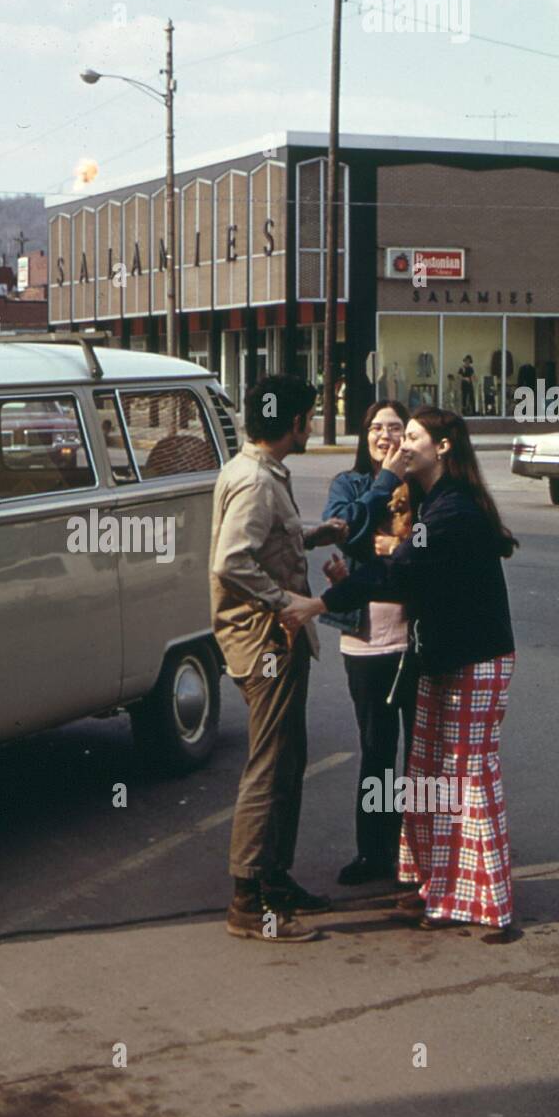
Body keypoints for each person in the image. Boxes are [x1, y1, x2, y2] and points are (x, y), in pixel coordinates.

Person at [283, 408, 518, 931]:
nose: (401, 444)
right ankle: (438, 887)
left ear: (444, 447)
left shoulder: (452, 509)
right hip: (438, 656)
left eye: (411, 436)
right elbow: (389, 564)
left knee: (468, 777)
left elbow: (400, 569)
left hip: (475, 657)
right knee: (427, 777)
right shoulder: (432, 500)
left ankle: (490, 904)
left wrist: (318, 605)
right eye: (395, 434)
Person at [209, 374, 348, 943]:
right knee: (269, 766)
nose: (311, 426)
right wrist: (283, 601)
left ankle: (275, 880)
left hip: (273, 640)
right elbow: (230, 562)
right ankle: (248, 901)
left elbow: (269, 542)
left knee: (288, 760)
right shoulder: (257, 483)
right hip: (265, 642)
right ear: (293, 424)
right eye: (309, 417)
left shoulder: (258, 472)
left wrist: (315, 536)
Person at [321, 400, 420, 885]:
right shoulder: (352, 484)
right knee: (376, 749)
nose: (385, 435)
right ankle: (373, 853)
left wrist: (385, 547)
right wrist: (383, 483)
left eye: (395, 428)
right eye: (376, 427)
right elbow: (346, 531)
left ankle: (416, 855)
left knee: (421, 753)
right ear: (364, 436)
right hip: (365, 640)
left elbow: (430, 547)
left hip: (417, 638)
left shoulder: (422, 484)